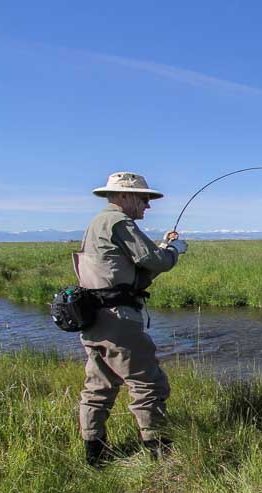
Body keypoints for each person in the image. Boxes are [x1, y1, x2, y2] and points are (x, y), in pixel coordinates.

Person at [74, 172, 187, 465]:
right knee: (148, 384)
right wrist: (173, 251)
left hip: (93, 318)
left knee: (98, 386)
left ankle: (94, 455)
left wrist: (162, 247)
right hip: (118, 319)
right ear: (124, 196)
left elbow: (130, 271)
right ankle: (159, 453)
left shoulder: (97, 224)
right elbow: (154, 262)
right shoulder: (118, 222)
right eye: (143, 199)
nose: (147, 206)